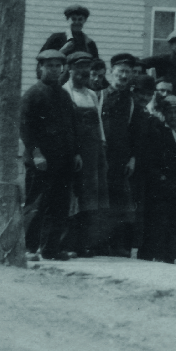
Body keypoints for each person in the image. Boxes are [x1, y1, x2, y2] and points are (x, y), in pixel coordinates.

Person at [22, 48, 80, 260]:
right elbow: (26, 130)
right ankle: (28, 247)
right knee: (37, 203)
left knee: (59, 205)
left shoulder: (64, 95)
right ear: (40, 68)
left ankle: (51, 248)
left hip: (63, 160)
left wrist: (75, 154)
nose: (54, 70)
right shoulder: (32, 95)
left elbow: (71, 127)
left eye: (58, 66)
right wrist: (37, 155)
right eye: (49, 66)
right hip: (41, 161)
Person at [133, 78, 176, 263]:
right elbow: (149, 161)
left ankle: (169, 261)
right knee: (156, 229)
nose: (174, 116)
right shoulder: (157, 130)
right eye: (170, 112)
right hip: (159, 190)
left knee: (175, 230)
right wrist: (161, 179)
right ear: (164, 113)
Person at [64, 52, 112, 256]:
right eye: (79, 68)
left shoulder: (91, 94)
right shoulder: (65, 92)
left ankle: (86, 243)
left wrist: (102, 147)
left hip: (94, 153)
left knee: (92, 199)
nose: (83, 73)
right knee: (74, 198)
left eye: (86, 68)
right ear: (70, 70)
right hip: (77, 154)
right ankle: (68, 243)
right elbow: (66, 127)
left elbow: (98, 124)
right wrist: (74, 152)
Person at [99, 54, 143, 257]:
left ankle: (117, 245)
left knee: (119, 203)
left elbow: (136, 133)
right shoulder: (100, 96)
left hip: (122, 160)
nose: (123, 76)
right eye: (120, 72)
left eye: (127, 72)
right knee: (99, 200)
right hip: (101, 157)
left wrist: (133, 158)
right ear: (111, 73)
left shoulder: (133, 102)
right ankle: (97, 244)